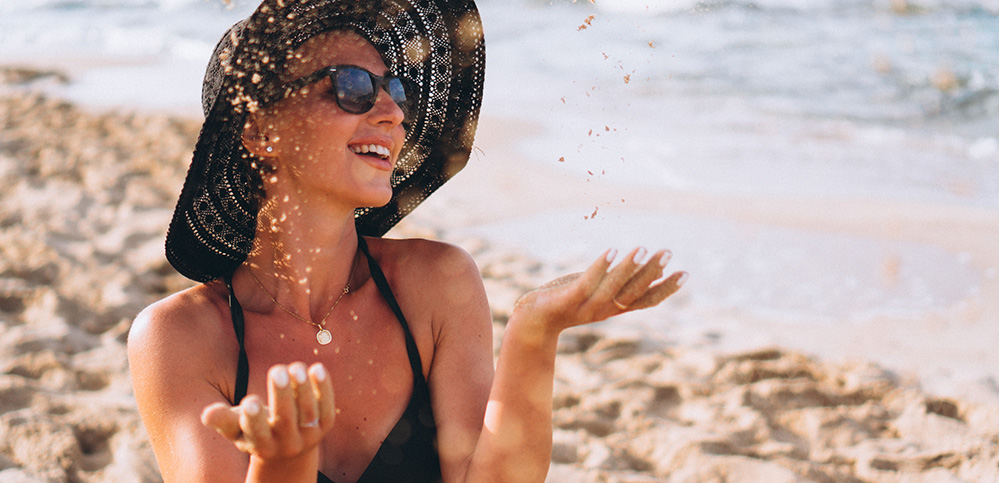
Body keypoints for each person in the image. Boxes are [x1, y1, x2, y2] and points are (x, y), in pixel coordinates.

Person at [127, 0, 687, 482]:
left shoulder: (436, 283)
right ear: (262, 130)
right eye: (351, 87)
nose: (392, 113)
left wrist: (534, 332)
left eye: (394, 90)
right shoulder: (178, 337)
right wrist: (285, 461)